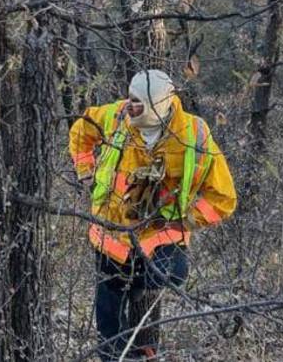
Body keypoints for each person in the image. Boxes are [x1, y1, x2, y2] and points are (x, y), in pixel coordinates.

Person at [69, 70, 237, 360]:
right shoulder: (115, 116)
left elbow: (222, 198)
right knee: (108, 316)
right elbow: (80, 132)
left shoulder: (193, 134)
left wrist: (185, 220)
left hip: (161, 236)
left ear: (158, 105)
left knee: (170, 275)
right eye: (129, 100)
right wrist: (86, 172)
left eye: (137, 103)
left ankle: (139, 294)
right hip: (111, 235)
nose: (129, 107)